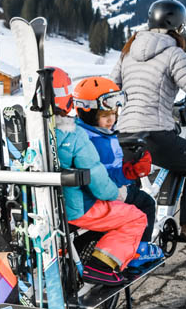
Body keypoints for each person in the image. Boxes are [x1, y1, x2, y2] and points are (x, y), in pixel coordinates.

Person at [110, 0, 186, 241]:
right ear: (177, 26)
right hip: (155, 134)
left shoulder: (127, 53)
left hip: (124, 134)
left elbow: (112, 88)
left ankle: (133, 241)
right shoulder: (172, 53)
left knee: (133, 184)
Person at [50, 67, 146, 286]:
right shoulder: (74, 135)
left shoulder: (30, 133)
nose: (111, 118)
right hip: (76, 208)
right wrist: (116, 193)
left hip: (45, 208)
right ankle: (102, 265)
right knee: (136, 216)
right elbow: (99, 181)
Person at [71, 76, 164, 268]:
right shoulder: (94, 141)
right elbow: (103, 177)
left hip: (87, 193)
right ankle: (139, 250)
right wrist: (129, 172)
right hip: (101, 194)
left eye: (114, 114)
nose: (111, 120)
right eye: (105, 116)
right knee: (145, 203)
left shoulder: (87, 131)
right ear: (88, 113)